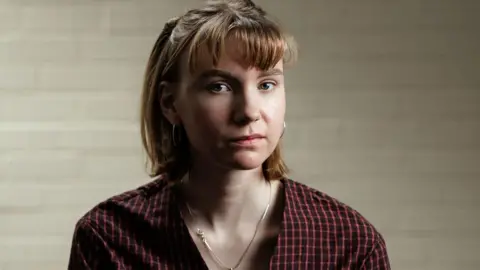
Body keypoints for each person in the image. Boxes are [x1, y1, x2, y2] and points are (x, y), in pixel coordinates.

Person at [67, 0, 391, 269]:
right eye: (219, 86)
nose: (249, 111)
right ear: (170, 103)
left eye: (267, 85)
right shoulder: (108, 238)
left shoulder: (350, 245)